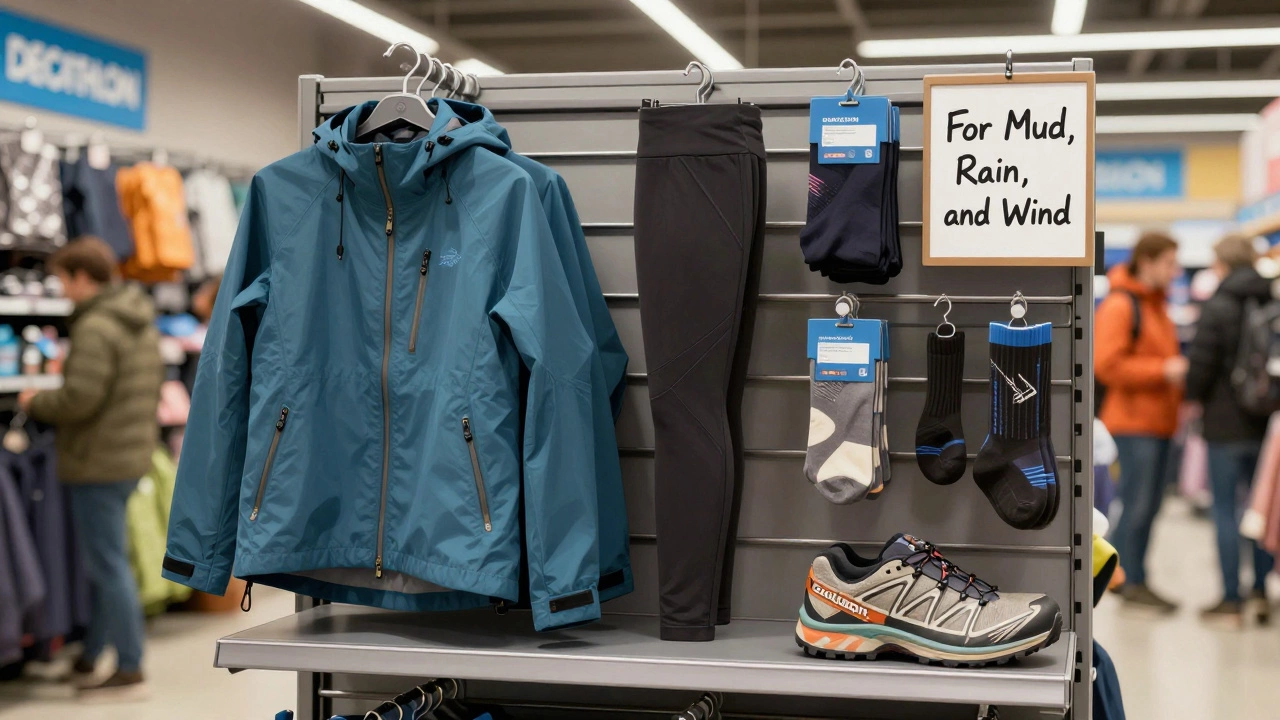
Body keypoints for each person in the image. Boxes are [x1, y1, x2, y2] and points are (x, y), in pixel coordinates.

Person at [17, 237, 163, 701]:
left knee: (107, 564)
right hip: (125, 456)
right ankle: (91, 653)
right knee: (106, 561)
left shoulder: (98, 327)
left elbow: (80, 398)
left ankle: (130, 663)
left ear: (82, 277)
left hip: (98, 461)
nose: (60, 288)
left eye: (61, 278)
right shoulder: (133, 316)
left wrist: (34, 401)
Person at [1185, 234, 1276, 626]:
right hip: (1266, 423)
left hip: (1224, 424)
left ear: (1223, 263)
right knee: (1260, 508)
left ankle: (1230, 599)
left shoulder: (1218, 305)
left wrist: (1193, 397)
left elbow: (1200, 367)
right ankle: (1259, 590)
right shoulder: (1272, 300)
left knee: (1225, 510)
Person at [1095, 231, 1186, 613]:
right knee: (1134, 506)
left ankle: (1137, 579)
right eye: (1168, 262)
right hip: (1133, 425)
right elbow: (1105, 364)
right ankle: (1126, 582)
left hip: (1159, 424)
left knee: (1147, 507)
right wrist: (1162, 371)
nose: (1175, 270)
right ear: (1146, 261)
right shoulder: (1121, 305)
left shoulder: (1156, 305)